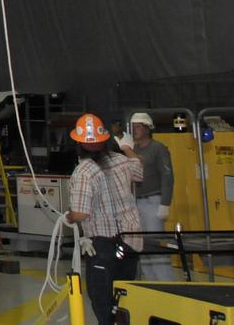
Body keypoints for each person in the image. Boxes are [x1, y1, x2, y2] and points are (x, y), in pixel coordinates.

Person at [65, 112, 142, 325]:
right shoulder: (120, 160)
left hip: (105, 247)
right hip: (130, 243)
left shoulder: (83, 172)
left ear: (78, 143)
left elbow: (81, 213)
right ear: (105, 139)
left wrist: (69, 217)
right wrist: (127, 147)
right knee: (125, 299)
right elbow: (139, 170)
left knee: (103, 302)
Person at [128, 112, 175, 280]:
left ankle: (167, 287)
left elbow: (167, 176)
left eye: (138, 127)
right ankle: (152, 287)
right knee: (142, 249)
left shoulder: (158, 148)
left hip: (153, 201)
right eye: (133, 127)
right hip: (136, 203)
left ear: (147, 129)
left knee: (155, 250)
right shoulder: (132, 150)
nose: (135, 130)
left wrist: (165, 203)